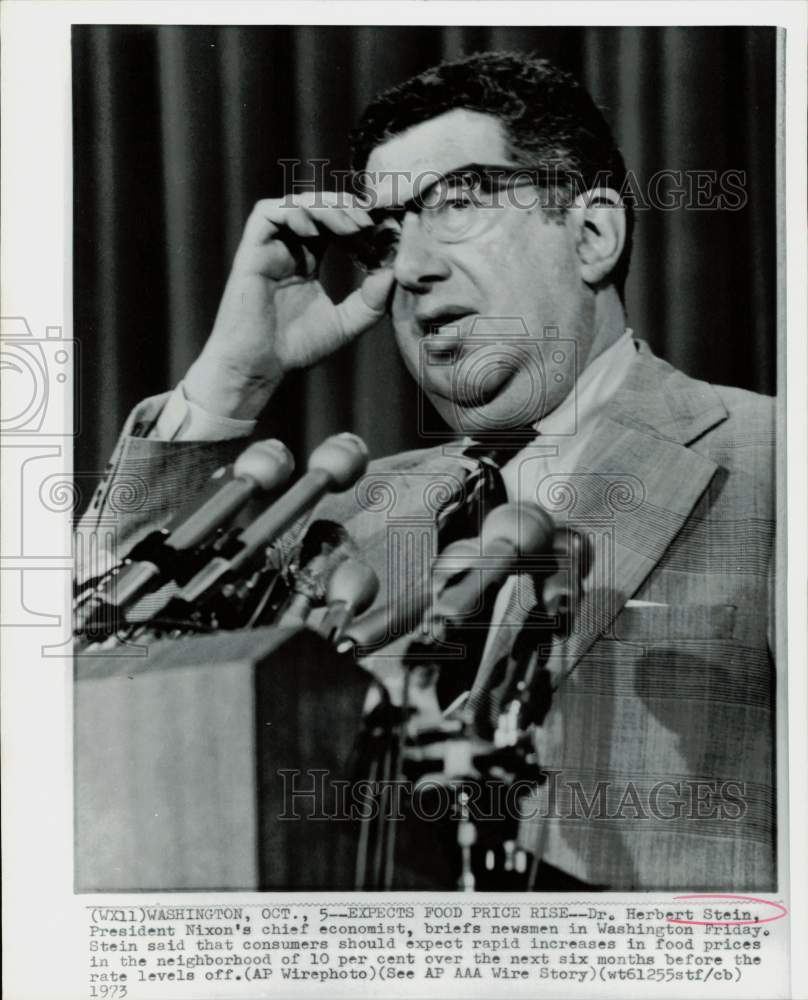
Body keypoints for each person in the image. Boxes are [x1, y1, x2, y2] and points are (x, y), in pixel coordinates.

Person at [77, 52, 775, 890]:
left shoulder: (772, 460)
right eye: (386, 237)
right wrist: (234, 381)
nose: (409, 270)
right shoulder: (343, 513)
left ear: (593, 235)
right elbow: (111, 667)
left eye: (457, 205)